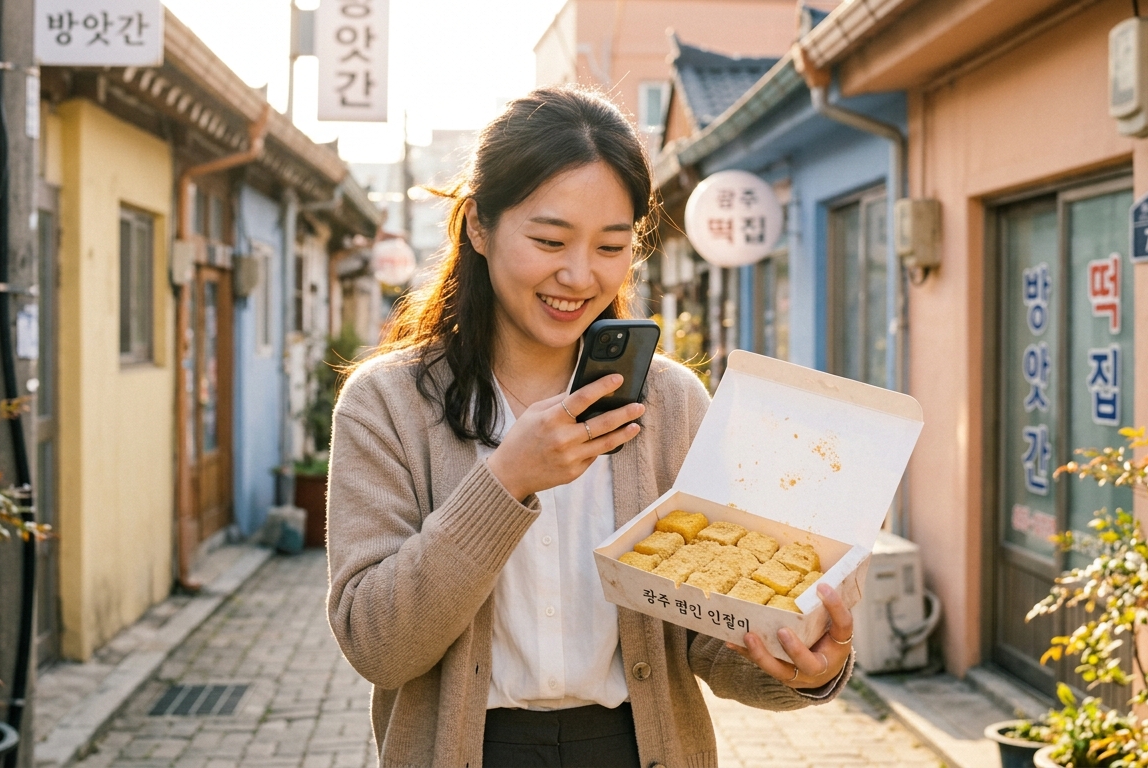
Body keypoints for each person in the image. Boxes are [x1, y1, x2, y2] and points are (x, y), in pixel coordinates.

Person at [325, 85, 855, 768]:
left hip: (638, 746)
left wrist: (800, 665)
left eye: (611, 245)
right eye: (549, 240)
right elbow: (378, 645)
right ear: (479, 226)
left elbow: (704, 637)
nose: (578, 276)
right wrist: (505, 481)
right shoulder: (388, 404)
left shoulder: (670, 402)